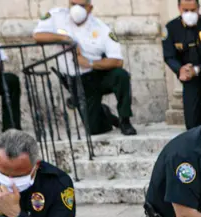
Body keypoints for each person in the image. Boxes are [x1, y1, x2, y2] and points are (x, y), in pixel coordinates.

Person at [33, 0, 137, 136]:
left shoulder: (101, 28)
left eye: (81, 6)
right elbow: (37, 36)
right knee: (95, 130)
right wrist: (66, 38)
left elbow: (117, 61)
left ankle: (125, 120)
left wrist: (90, 63)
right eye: (73, 4)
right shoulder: (57, 16)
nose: (76, 9)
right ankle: (105, 113)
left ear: (90, 8)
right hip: (76, 80)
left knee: (120, 75)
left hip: (96, 74)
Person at [163, 0, 201, 130]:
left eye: (193, 10)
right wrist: (180, 69)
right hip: (189, 76)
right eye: (186, 10)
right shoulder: (171, 28)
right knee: (191, 124)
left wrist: (198, 69)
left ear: (198, 8)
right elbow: (169, 56)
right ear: (179, 8)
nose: (189, 14)